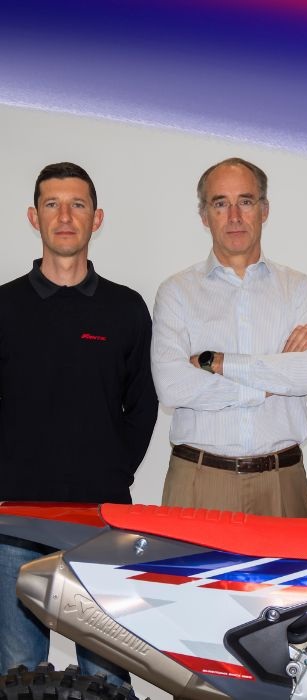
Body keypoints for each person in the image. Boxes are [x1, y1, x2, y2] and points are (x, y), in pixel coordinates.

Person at [0, 163, 158, 680]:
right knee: (19, 669)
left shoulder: (125, 309)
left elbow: (143, 405)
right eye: (52, 204)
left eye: (77, 205)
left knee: (107, 673)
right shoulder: (5, 306)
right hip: (14, 518)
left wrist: (112, 473)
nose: (65, 216)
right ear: (34, 217)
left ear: (97, 218)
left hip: (100, 517)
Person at [151, 157, 307, 517]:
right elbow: (172, 387)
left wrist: (218, 363)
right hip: (198, 479)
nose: (234, 216)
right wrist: (269, 382)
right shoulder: (176, 292)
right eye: (220, 204)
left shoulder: (299, 289)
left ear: (264, 210)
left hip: (282, 480)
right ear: (204, 216)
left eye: (245, 201)